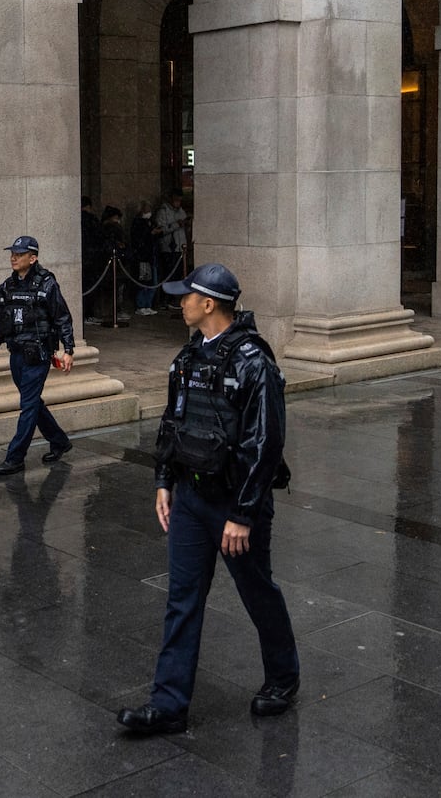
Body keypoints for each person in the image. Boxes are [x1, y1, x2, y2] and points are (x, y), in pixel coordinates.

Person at [118, 263, 299, 736]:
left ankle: (283, 677)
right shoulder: (188, 356)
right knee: (182, 598)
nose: (179, 303)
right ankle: (168, 705)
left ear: (209, 304)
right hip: (192, 501)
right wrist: (163, 478)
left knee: (256, 591)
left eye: (186, 296)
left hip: (237, 506)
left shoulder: (253, 361)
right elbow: (171, 423)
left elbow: (265, 443)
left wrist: (242, 514)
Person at [0, 236, 75, 477]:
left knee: (27, 405)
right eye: (12, 253)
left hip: (38, 355)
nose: (13, 257)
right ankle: (59, 441)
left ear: (32, 258)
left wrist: (68, 350)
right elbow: (1, 320)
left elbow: (62, 318)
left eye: (19, 253)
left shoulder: (47, 284)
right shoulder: (6, 286)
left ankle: (15, 458)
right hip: (16, 354)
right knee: (33, 402)